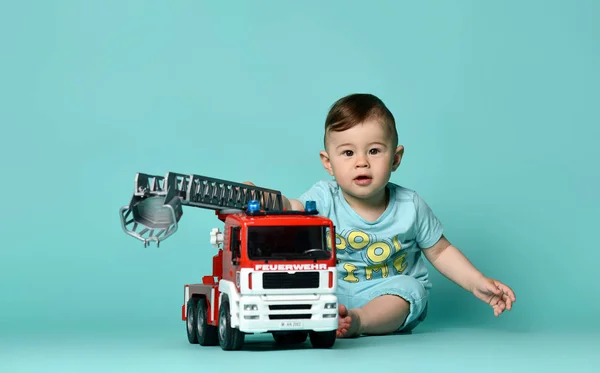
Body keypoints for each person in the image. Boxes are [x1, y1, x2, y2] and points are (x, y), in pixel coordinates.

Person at [246, 93, 516, 338]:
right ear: (328, 163)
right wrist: (266, 199)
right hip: (331, 290)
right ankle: (319, 320)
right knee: (296, 281)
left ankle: (359, 321)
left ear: (395, 159)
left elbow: (441, 252)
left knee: (412, 289)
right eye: (348, 152)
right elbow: (295, 210)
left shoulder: (410, 206)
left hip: (388, 295)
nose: (361, 161)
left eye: (374, 151)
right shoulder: (326, 197)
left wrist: (476, 282)